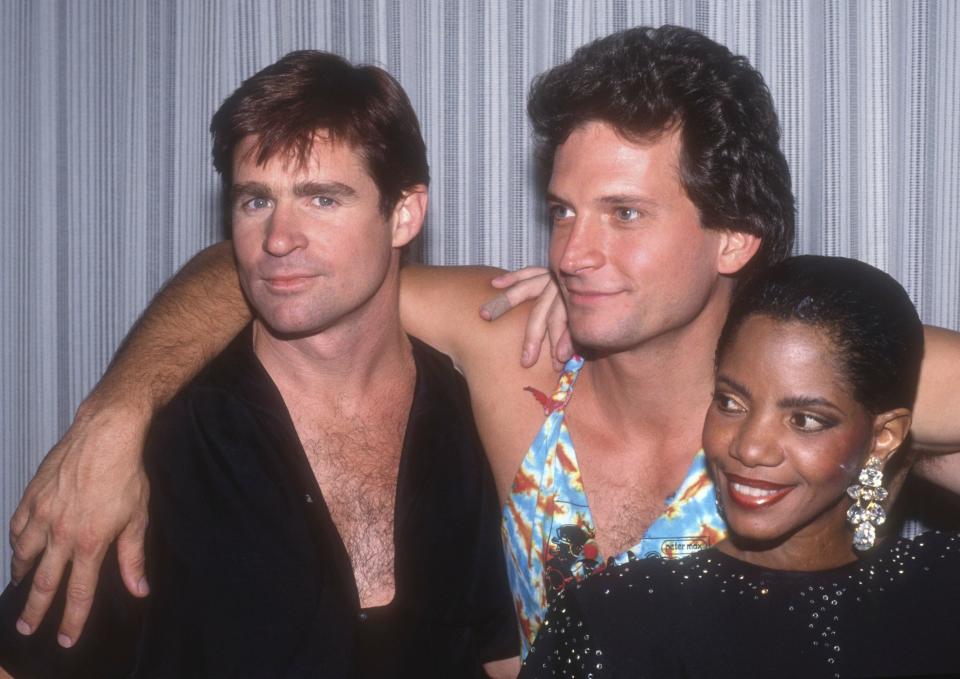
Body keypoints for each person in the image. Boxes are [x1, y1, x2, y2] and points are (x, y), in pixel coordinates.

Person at [9, 25, 960, 658]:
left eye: (623, 214)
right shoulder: (514, 344)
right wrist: (117, 413)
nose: (574, 252)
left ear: (734, 237)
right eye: (563, 210)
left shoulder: (823, 363)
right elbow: (285, 268)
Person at [0, 50, 519, 677]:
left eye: (322, 199)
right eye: (254, 201)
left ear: (404, 213)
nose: (277, 239)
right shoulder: (167, 448)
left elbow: (501, 656)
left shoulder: (470, 416)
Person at [520, 255, 960, 678]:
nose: (749, 448)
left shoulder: (940, 588)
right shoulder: (615, 617)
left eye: (805, 420)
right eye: (731, 403)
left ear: (884, 437)